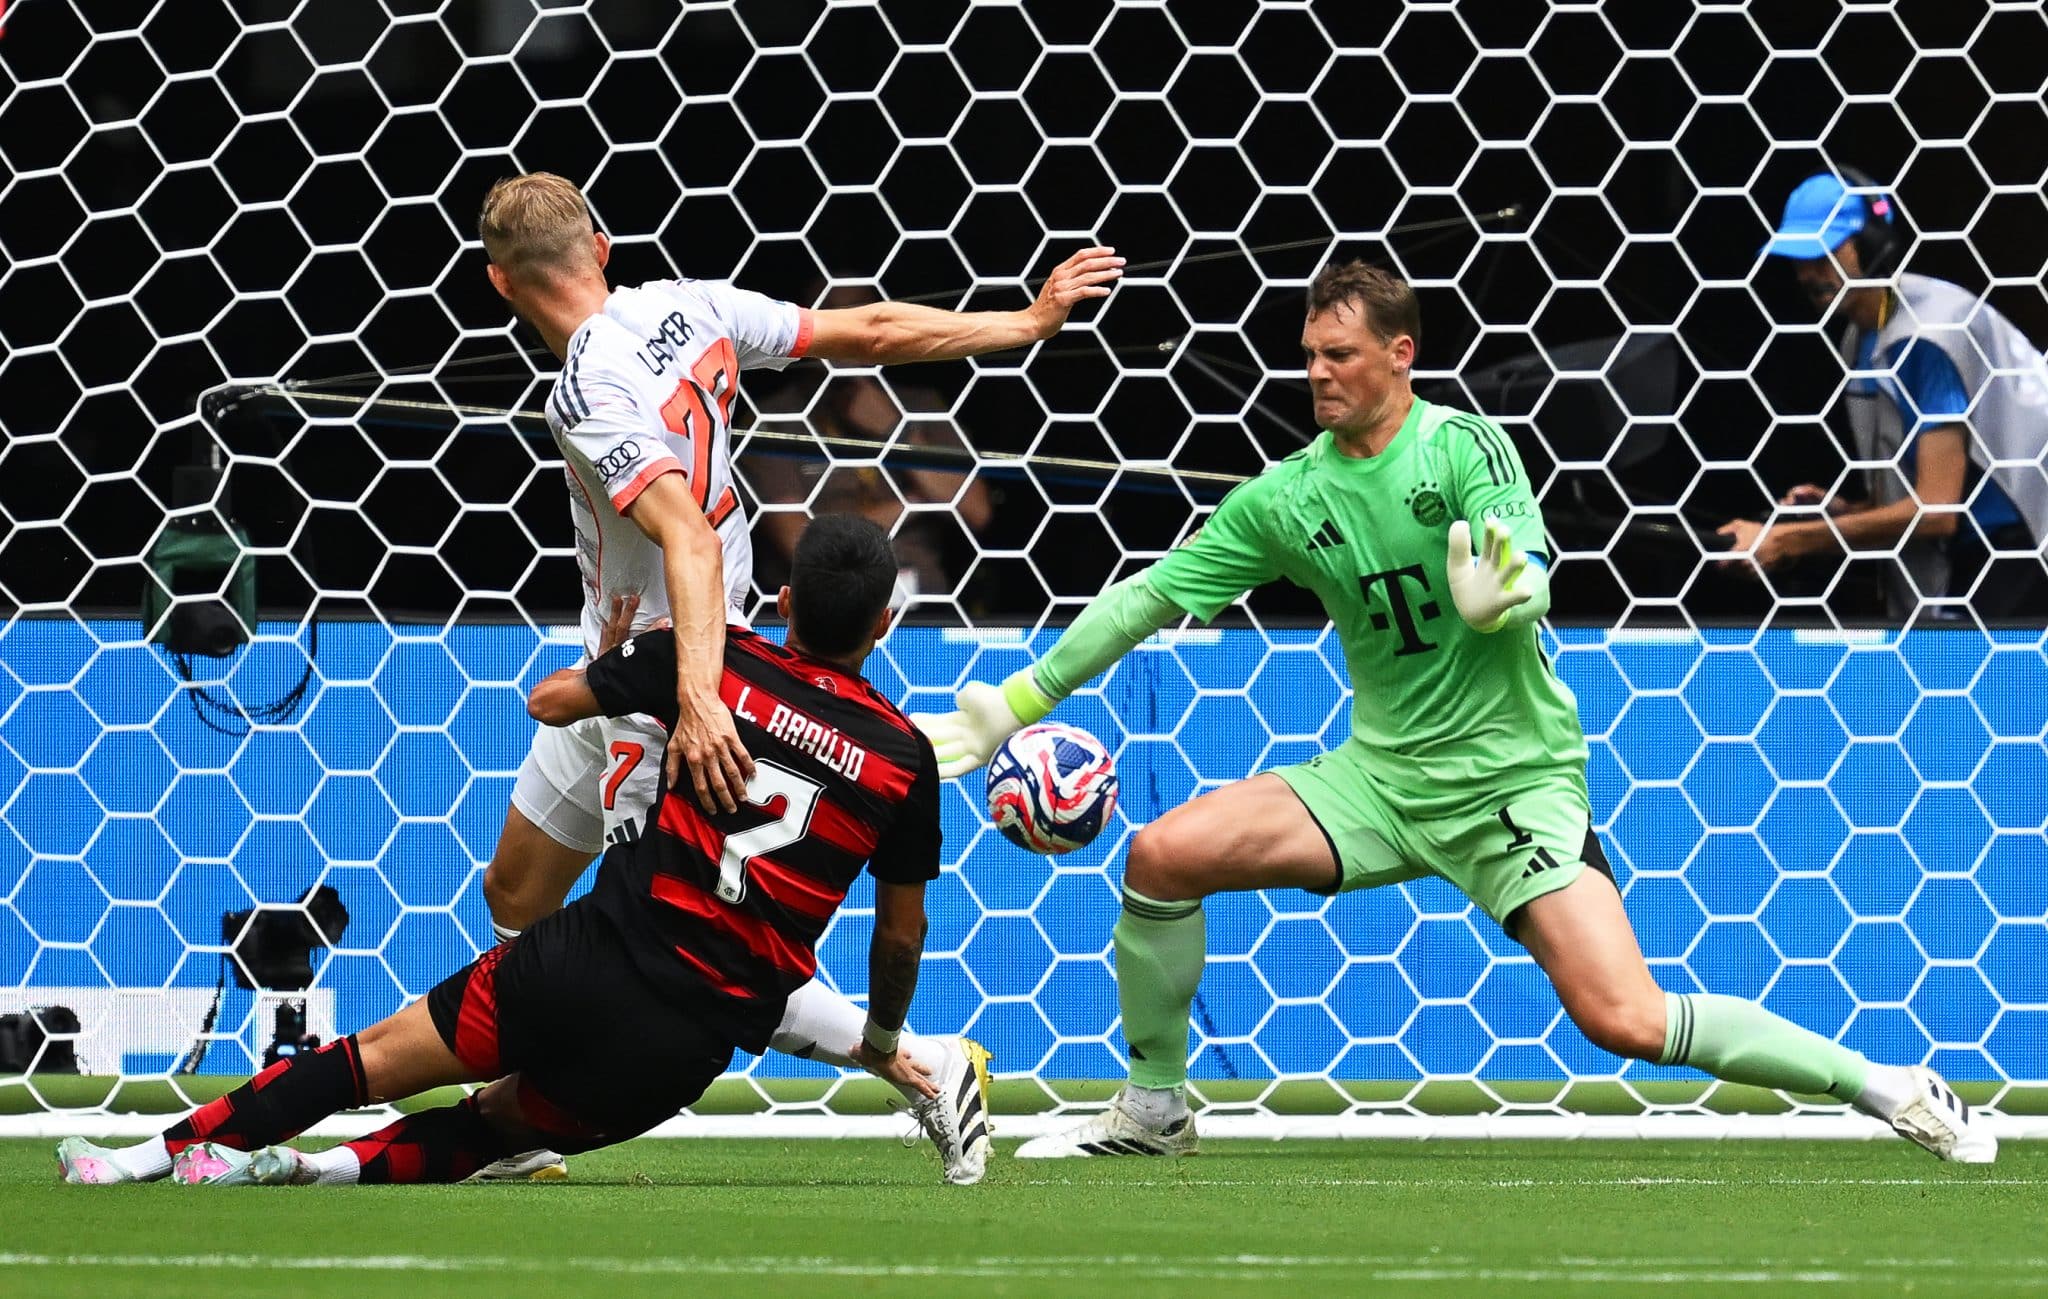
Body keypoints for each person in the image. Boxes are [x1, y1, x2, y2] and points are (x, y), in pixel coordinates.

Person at [913, 260, 1996, 1164]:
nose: (1318, 375)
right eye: (1307, 357)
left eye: (1339, 356)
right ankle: (1154, 1107)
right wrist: (1017, 699)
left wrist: (1509, 588)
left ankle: (1891, 1088)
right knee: (1160, 853)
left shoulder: (1462, 449)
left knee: (1622, 1016)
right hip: (1377, 783)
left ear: (1400, 355)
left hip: (1510, 787)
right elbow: (1150, 594)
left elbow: (1521, 550)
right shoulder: (1288, 496)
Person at [469, 173, 1120, 1178]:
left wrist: (693, 701)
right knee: (515, 886)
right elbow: (870, 329)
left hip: (680, 677)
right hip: (615, 662)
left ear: (498, 282)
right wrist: (1023, 323)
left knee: (694, 944)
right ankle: (519, 1100)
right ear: (601, 247)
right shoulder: (689, 306)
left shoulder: (585, 386)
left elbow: (683, 533)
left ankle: (921, 1064)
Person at [57, 516, 995, 1187]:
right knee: (489, 1130)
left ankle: (143, 1157)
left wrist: (620, 663)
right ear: (884, 624)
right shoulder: (905, 761)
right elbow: (900, 938)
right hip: (688, 1042)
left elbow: (549, 702)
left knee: (371, 1056)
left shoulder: (716, 664)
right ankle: (312, 1173)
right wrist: (880, 1042)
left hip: (584, 957)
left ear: (784, 600)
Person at [1718, 170, 2048, 621]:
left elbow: (1937, 510)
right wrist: (1839, 511)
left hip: (2016, 547)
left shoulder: (1929, 337)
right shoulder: (1863, 337)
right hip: (1968, 552)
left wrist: (1789, 539)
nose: (1809, 273)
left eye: (1824, 253)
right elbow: (1918, 492)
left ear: (1873, 246)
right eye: (1798, 259)